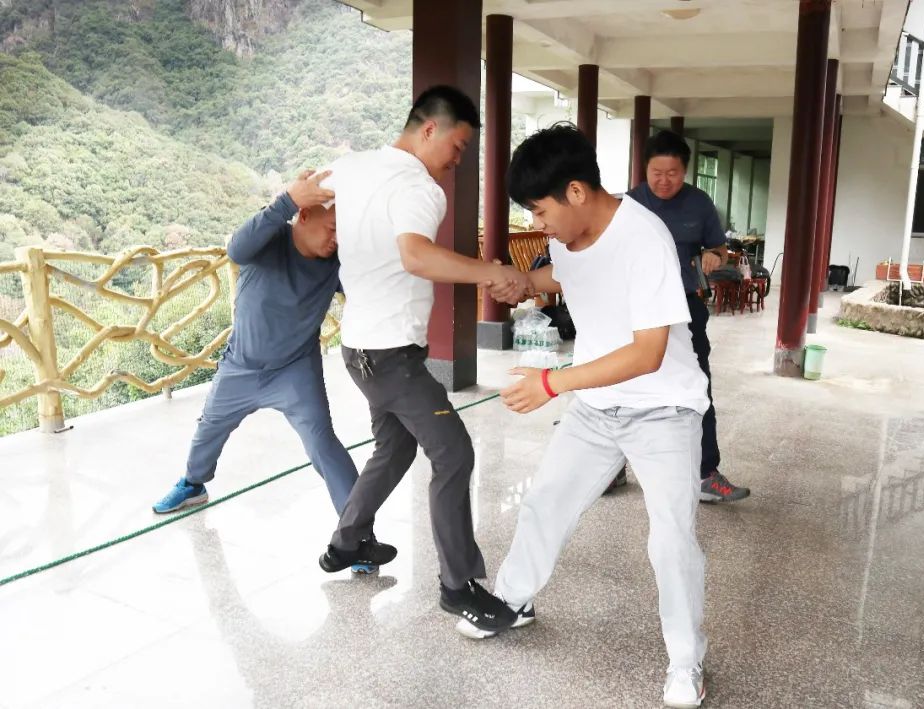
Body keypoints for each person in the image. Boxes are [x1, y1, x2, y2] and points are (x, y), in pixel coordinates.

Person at [473, 124, 710, 708]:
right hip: (598, 405)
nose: (537, 224)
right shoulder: (570, 233)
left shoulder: (644, 238)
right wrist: (526, 282)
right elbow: (565, 274)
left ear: (576, 191)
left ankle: (686, 662)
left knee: (671, 539)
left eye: (539, 210)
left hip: (663, 408)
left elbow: (648, 352)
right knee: (546, 501)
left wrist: (551, 383)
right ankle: (513, 600)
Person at [315, 85, 528, 637]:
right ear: (430, 129)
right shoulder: (418, 187)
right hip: (391, 358)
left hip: (357, 348)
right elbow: (415, 255)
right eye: (458, 146)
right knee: (453, 454)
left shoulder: (350, 167)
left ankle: (345, 543)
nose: (458, 160)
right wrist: (491, 273)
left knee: (394, 447)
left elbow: (303, 195)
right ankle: (458, 588)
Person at [152, 170, 361, 528]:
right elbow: (236, 249)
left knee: (323, 444)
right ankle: (193, 484)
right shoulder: (271, 238)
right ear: (304, 215)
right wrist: (287, 201)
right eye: (332, 229)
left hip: (295, 370)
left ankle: (358, 527)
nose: (337, 239)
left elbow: (366, 287)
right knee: (210, 427)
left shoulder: (336, 263)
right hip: (241, 366)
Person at [622, 129, 750, 504]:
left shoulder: (699, 203)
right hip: (637, 309)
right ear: (645, 170)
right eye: (657, 173)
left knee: (697, 386)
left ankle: (706, 473)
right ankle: (611, 468)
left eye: (673, 173)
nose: (664, 181)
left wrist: (714, 256)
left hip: (685, 308)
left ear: (685, 170)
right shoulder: (629, 205)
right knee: (625, 384)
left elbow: (720, 249)